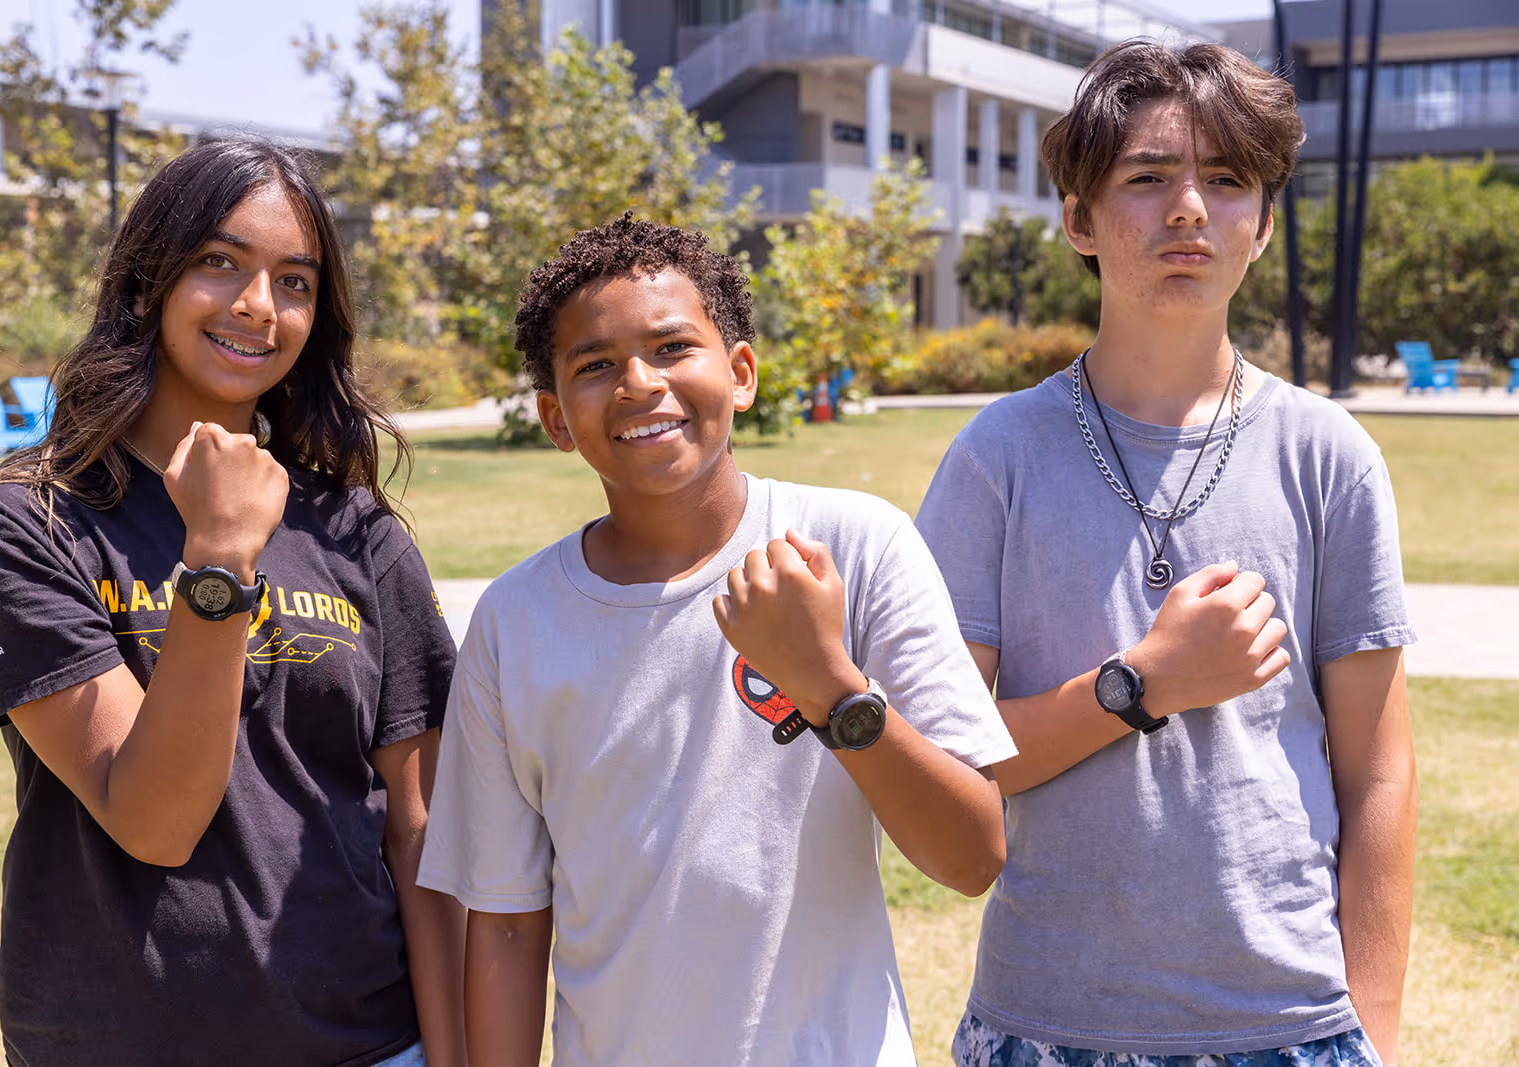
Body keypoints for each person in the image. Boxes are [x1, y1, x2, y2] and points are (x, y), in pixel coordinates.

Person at [915, 41, 1418, 1067]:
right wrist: (1140, 680)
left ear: (1263, 225)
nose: (1188, 208)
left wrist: (1368, 1028)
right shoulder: (994, 459)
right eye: (1146, 178)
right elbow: (943, 767)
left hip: (1292, 1026)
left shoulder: (1329, 457)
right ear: (1078, 218)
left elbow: (1378, 772)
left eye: (1227, 179)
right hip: (1044, 1024)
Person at [415, 214, 1018, 1066]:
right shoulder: (515, 622)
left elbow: (971, 854)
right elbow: (508, 925)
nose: (636, 383)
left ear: (740, 373)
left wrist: (831, 687)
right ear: (555, 418)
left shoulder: (856, 545)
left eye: (670, 347)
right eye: (594, 364)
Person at [0, 139, 464, 1067]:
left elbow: (418, 832)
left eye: (294, 282)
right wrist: (219, 557)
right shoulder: (24, 524)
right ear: (147, 285)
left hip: (364, 1045)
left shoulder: (358, 532)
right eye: (219, 263)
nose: (259, 306)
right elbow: (154, 815)